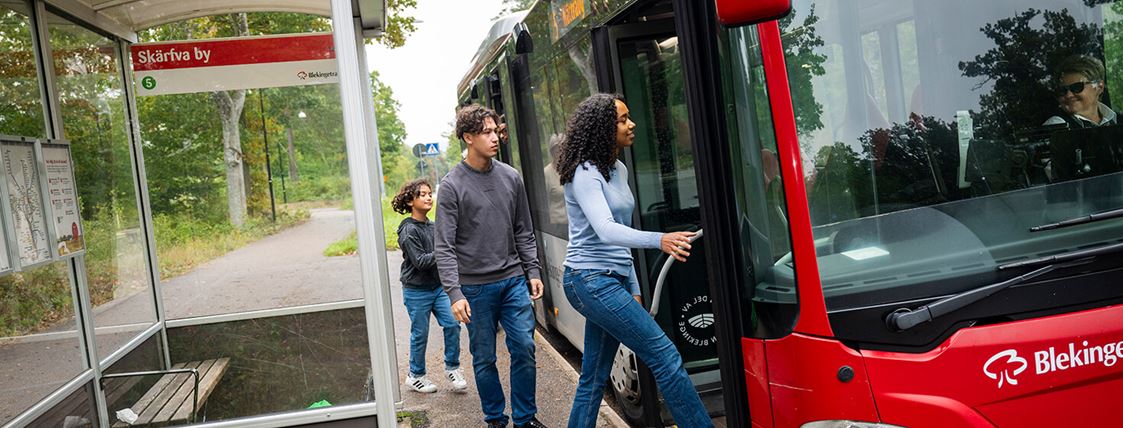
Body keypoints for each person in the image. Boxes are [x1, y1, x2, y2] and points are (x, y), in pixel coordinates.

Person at [557, 93, 713, 428]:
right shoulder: (585, 174)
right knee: (665, 356)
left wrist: (633, 284)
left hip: (610, 280)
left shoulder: (618, 169)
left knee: (594, 377)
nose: (632, 124)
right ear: (602, 128)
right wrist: (661, 240)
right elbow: (607, 230)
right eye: (623, 119)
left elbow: (621, 236)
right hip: (588, 280)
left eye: (629, 117)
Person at [435, 104, 547, 428]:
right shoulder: (452, 186)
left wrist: (533, 271)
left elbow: (523, 230)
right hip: (473, 287)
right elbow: (443, 246)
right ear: (468, 137)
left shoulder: (511, 177)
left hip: (512, 279)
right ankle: (495, 419)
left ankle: (525, 419)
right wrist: (454, 293)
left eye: (495, 129)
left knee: (524, 347)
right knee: (484, 358)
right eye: (486, 131)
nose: (495, 136)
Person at [392, 179, 468, 394]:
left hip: (438, 288)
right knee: (420, 333)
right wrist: (444, 249)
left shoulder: (434, 226)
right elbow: (421, 261)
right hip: (416, 290)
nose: (428, 197)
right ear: (409, 201)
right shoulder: (408, 231)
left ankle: (452, 368)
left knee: (453, 324)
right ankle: (415, 375)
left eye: (429, 194)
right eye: (422, 194)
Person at [1044, 54, 1117, 128]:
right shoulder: (1057, 125)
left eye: (1077, 87)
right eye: (1062, 90)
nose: (1068, 95)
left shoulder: (1117, 120)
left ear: (1099, 87)